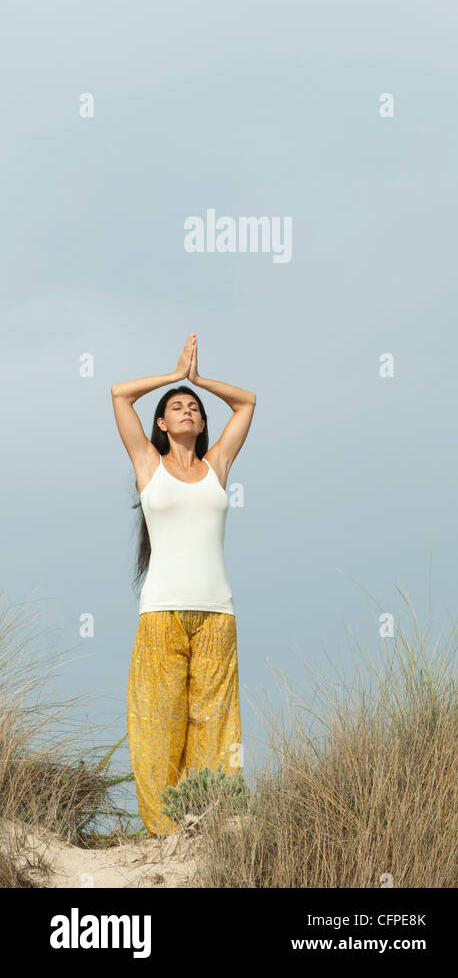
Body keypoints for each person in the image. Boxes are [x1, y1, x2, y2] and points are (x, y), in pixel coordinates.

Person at [111, 333, 256, 836]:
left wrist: (199, 381)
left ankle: (212, 827)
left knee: (216, 730)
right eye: (176, 407)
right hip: (162, 616)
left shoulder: (217, 466)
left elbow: (248, 401)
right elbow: (119, 394)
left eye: (193, 407)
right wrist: (174, 375)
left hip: (218, 614)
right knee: (158, 729)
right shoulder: (149, 466)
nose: (187, 410)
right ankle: (166, 833)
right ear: (161, 423)